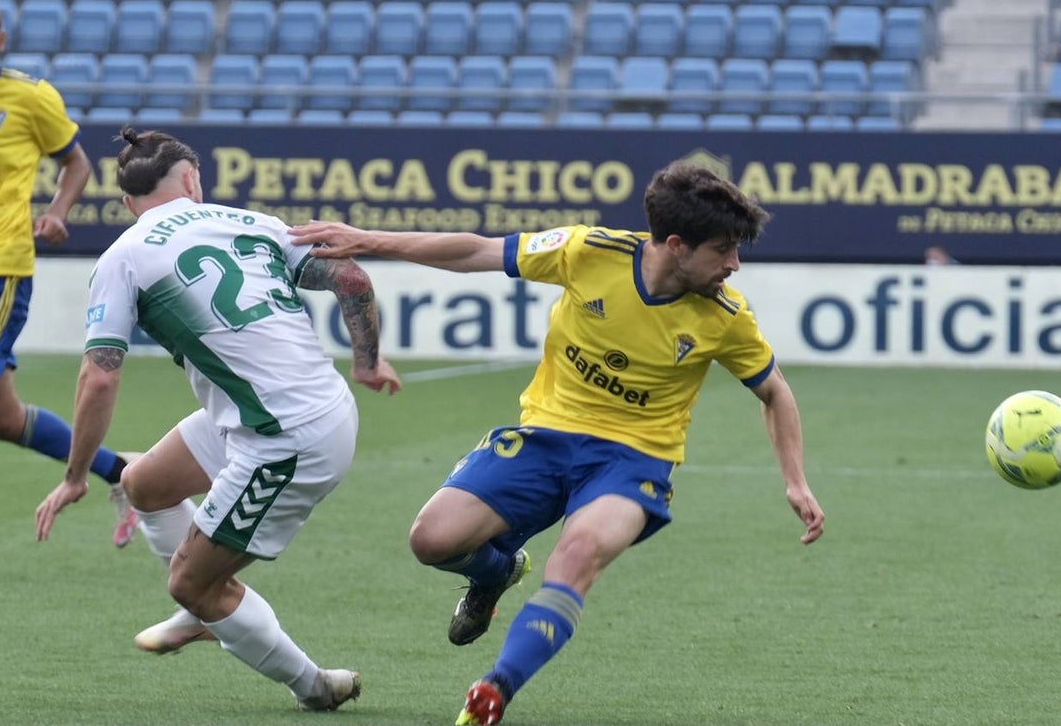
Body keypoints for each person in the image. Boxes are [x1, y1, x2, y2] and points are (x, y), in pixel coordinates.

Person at [290, 160, 827, 726]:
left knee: (574, 558)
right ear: (676, 244)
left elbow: (776, 393)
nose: (734, 265)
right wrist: (366, 240)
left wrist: (795, 480)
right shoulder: (588, 251)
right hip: (545, 437)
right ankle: (494, 574)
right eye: (723, 250)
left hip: (632, 463)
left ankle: (496, 690)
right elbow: (475, 251)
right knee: (431, 540)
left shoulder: (726, 315)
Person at [34, 127, 401, 711]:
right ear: (192, 180)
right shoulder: (252, 222)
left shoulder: (124, 255)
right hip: (288, 410)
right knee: (143, 485)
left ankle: (312, 684)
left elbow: (100, 376)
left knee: (189, 580)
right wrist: (366, 360)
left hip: (286, 440)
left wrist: (77, 474)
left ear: (128, 202)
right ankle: (204, 606)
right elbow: (351, 277)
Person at [0, 0, 139, 547]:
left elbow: (76, 161)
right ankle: (122, 474)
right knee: (0, 419)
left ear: (1, 41)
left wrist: (57, 211)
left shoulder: (29, 98)